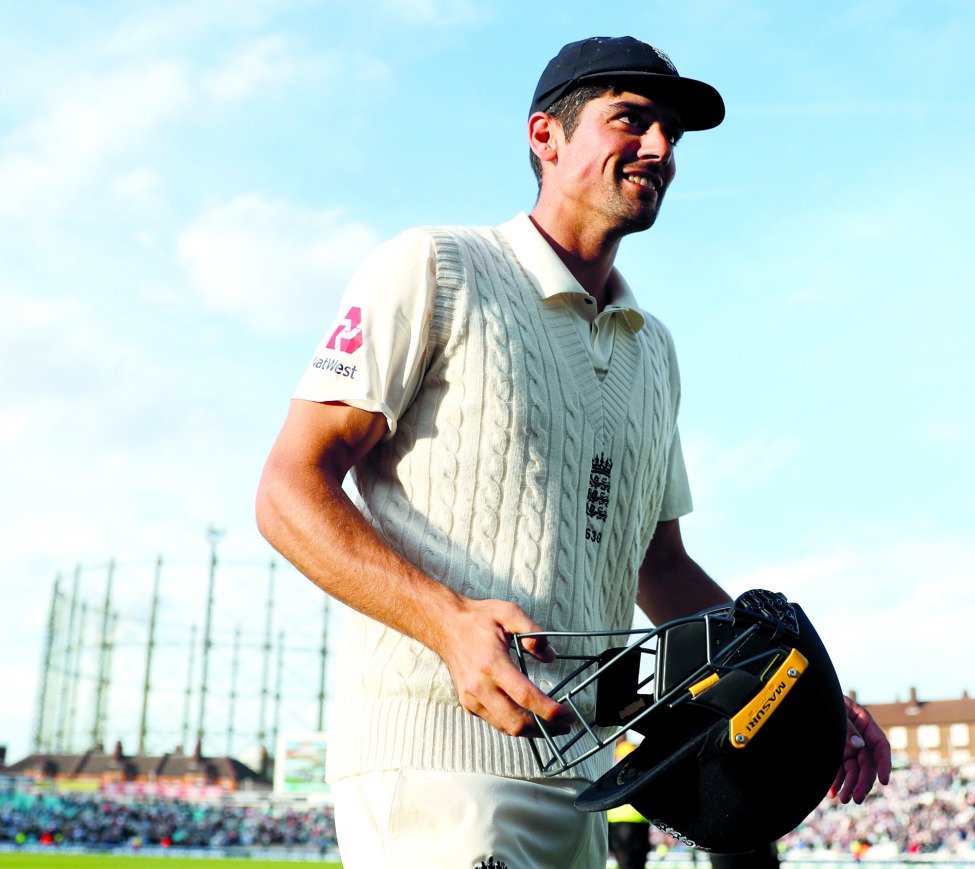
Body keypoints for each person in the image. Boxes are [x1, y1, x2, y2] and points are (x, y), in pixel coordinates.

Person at [256, 35, 890, 869]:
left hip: (589, 774)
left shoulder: (652, 349)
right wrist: (446, 624)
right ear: (544, 136)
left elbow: (659, 567)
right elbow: (287, 489)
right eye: (632, 120)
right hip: (438, 770)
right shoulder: (434, 266)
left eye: (672, 132)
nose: (660, 148)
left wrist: (803, 689)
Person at [606, 737, 652, 869]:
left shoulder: (619, 757)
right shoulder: (630, 754)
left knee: (626, 862)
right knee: (634, 862)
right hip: (633, 820)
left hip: (621, 820)